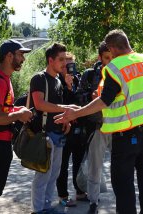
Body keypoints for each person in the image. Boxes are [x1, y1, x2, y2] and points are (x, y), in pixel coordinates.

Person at [54, 29, 143, 214]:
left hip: (126, 135)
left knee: (123, 183)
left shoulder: (115, 67)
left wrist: (77, 113)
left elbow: (105, 100)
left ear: (112, 48)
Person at [0, 39, 33, 214]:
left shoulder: (4, 79)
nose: (23, 59)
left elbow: (3, 108)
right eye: (20, 55)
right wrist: (18, 115)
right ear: (9, 56)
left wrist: (18, 109)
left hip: (0, 142)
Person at [29, 43, 75, 214]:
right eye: (61, 60)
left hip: (58, 134)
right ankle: (38, 209)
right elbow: (39, 104)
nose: (65, 63)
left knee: (54, 174)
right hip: (44, 134)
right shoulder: (39, 78)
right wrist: (65, 109)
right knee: (42, 175)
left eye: (65, 59)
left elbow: (58, 105)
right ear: (50, 60)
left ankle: (47, 206)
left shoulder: (57, 80)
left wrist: (66, 121)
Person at [79, 41, 113, 214]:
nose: (110, 60)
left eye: (112, 57)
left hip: (118, 125)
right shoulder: (90, 75)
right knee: (95, 166)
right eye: (107, 57)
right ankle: (93, 201)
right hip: (97, 126)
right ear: (100, 57)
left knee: (121, 165)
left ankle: (122, 198)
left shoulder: (119, 72)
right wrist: (90, 97)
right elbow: (79, 97)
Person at [56, 52, 88, 207]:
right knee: (62, 164)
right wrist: (67, 86)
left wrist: (72, 85)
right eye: (65, 64)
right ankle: (63, 195)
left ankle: (80, 191)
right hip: (65, 128)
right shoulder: (57, 82)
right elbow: (62, 103)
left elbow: (80, 102)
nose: (67, 67)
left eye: (70, 64)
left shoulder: (78, 79)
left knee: (78, 161)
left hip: (79, 128)